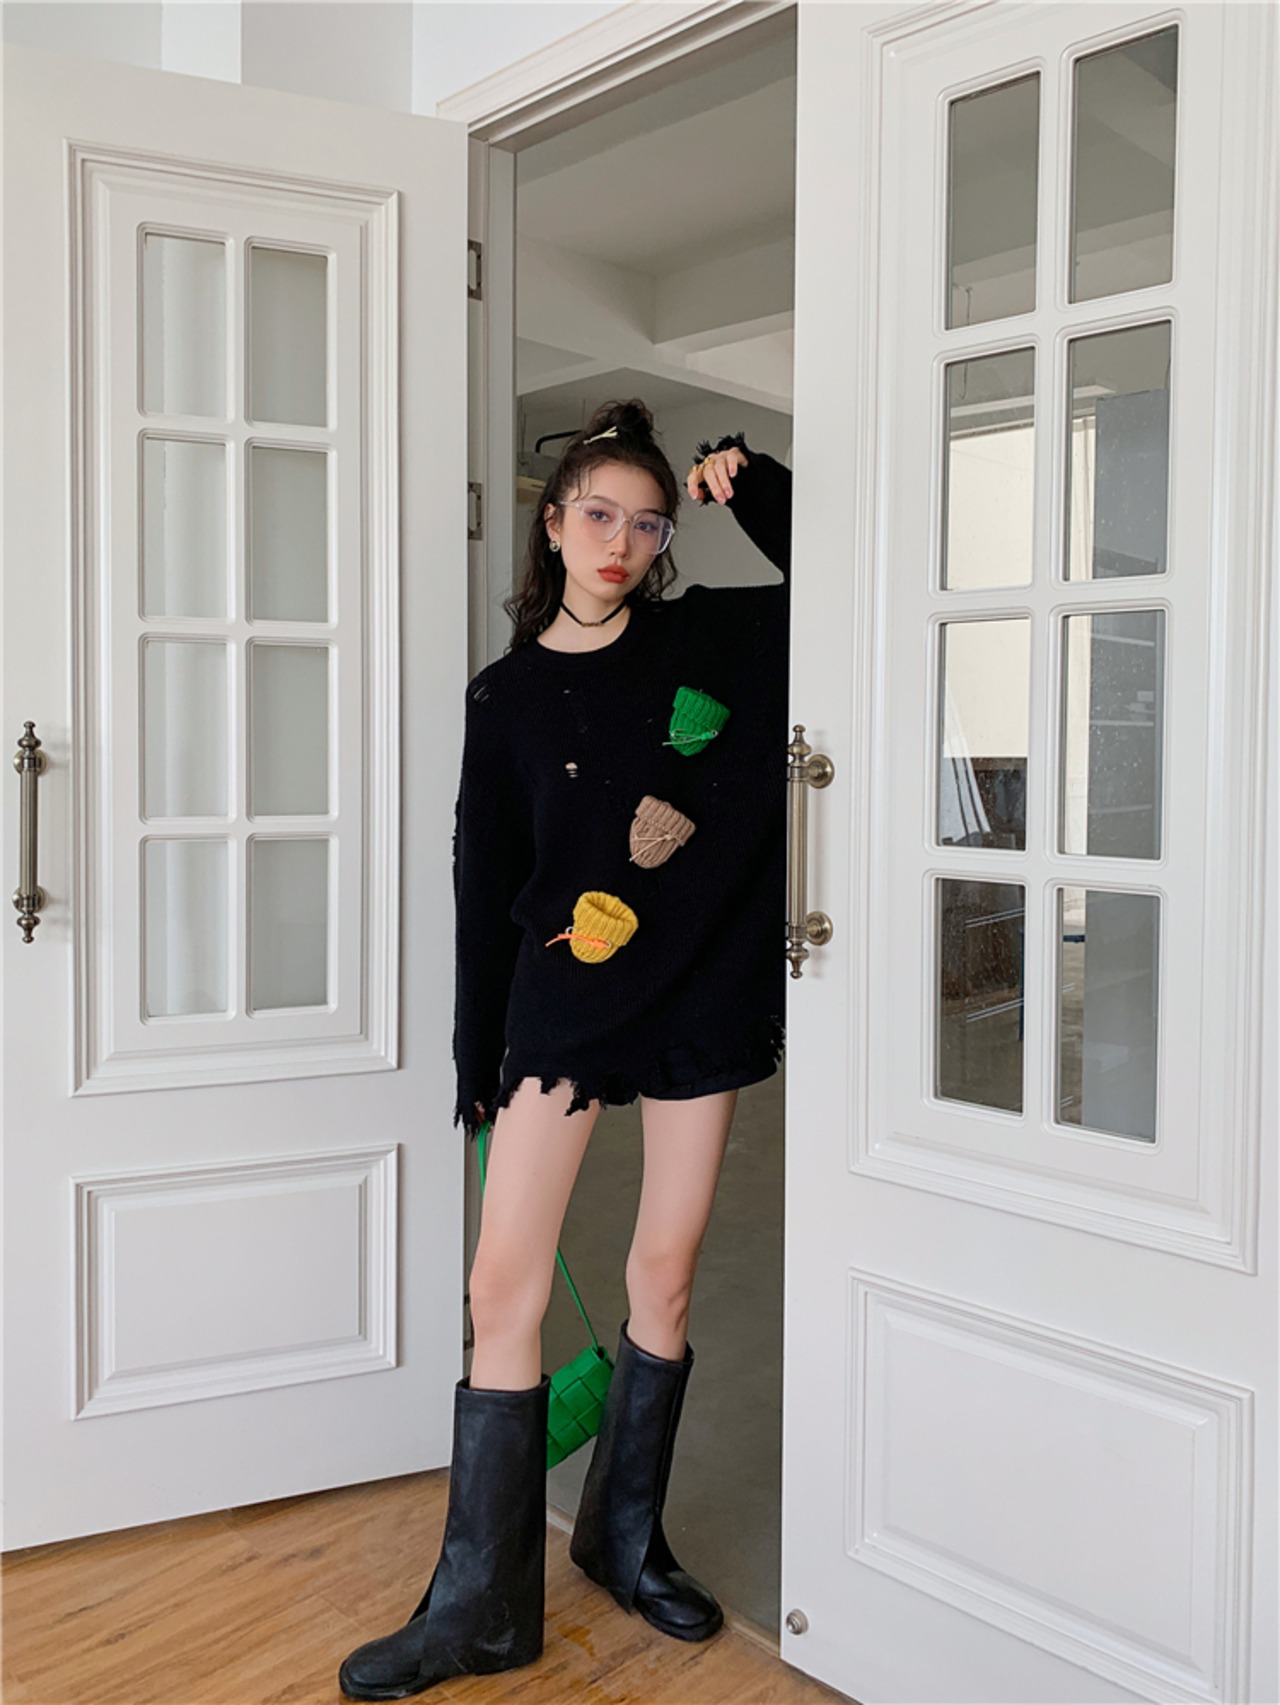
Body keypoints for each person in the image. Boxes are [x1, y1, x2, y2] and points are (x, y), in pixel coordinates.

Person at [338, 398, 792, 1701]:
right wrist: (477, 1062)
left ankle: (623, 1536)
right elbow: (486, 882)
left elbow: (846, 588)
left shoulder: (705, 638)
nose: (622, 541)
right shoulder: (505, 695)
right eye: (599, 513)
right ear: (551, 522)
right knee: (505, 1286)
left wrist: (755, 486)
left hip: (696, 989)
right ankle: (480, 1606)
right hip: (559, 1004)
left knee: (666, 1270)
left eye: (648, 524)